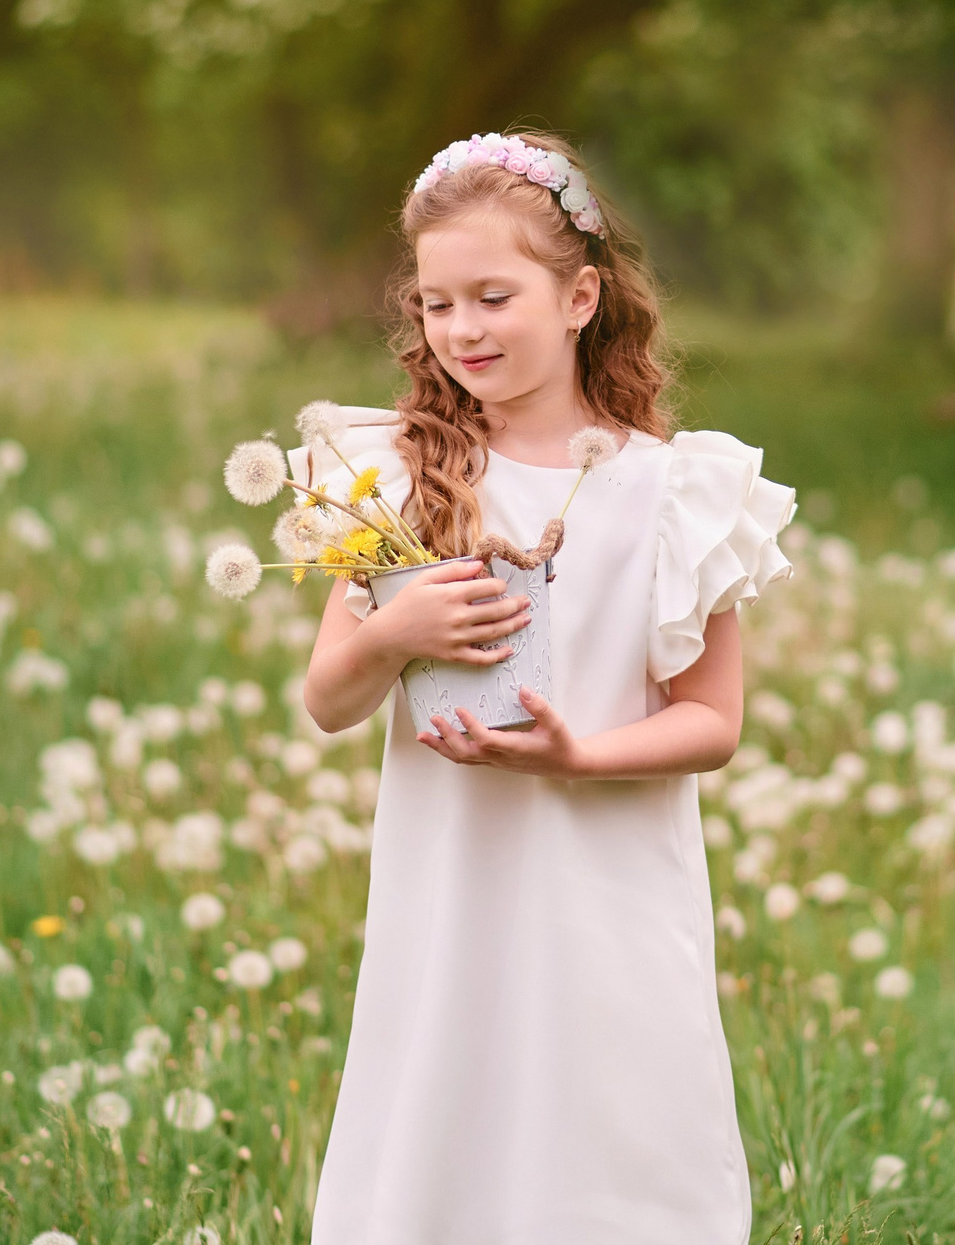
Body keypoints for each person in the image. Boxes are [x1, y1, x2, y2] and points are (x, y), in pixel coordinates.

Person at [296, 130, 795, 1245]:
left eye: (492, 296)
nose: (463, 328)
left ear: (577, 297)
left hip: (606, 886)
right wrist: (394, 633)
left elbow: (713, 721)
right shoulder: (391, 479)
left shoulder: (673, 492)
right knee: (452, 1116)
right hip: (452, 884)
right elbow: (328, 698)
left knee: (608, 1127)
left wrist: (582, 755)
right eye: (436, 304)